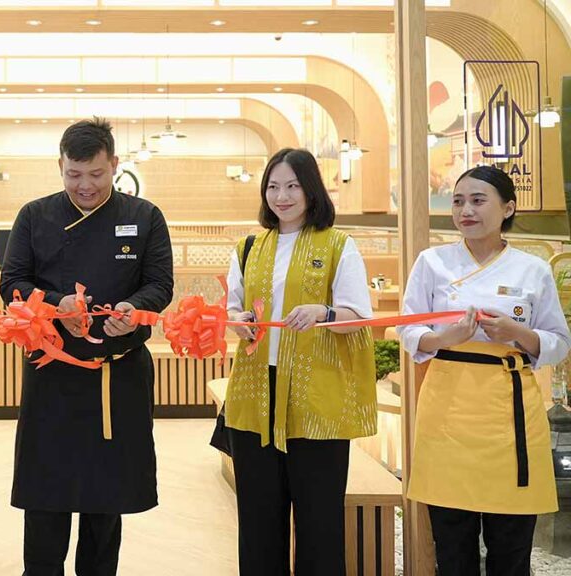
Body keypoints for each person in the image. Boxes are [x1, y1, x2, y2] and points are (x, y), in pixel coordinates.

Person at [0, 117, 173, 576]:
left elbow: (160, 284)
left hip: (118, 375)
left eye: (96, 174)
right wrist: (56, 304)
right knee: (45, 497)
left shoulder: (144, 216)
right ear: (59, 166)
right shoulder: (35, 216)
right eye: (73, 174)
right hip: (51, 373)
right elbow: (12, 282)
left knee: (106, 499)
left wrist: (134, 309)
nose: (85, 185)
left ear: (114, 164)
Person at [399, 165, 570, 575]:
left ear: (508, 208)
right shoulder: (432, 262)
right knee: (452, 546)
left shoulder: (532, 269)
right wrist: (446, 337)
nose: (465, 211)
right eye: (458, 201)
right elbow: (408, 329)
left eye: (478, 201)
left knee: (511, 548)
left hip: (510, 412)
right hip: (448, 409)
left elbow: (559, 341)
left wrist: (517, 333)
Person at [223, 147, 376, 575]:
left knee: (319, 522)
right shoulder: (248, 247)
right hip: (255, 398)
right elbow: (232, 309)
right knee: (258, 522)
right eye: (273, 187)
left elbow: (358, 318)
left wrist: (324, 313)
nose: (282, 196)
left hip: (316, 400)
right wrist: (238, 321)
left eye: (292, 186)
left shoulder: (339, 245)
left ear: (311, 190)